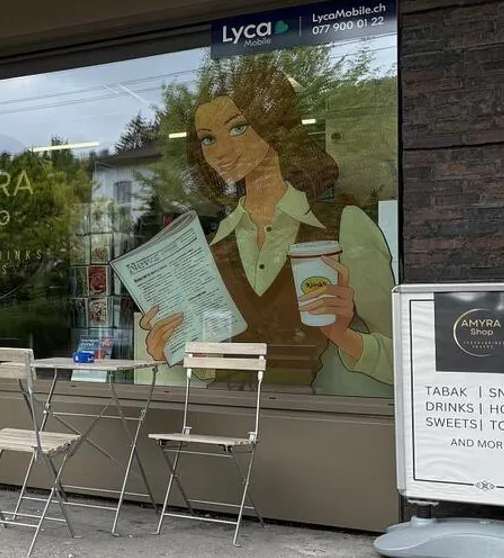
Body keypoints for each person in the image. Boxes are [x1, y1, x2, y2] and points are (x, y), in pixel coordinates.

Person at [139, 62, 394, 396]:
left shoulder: (343, 227)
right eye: (208, 139)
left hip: (323, 426)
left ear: (274, 125)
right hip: (225, 421)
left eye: (238, 127)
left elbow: (410, 359)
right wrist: (175, 348)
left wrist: (343, 336)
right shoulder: (215, 245)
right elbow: (218, 360)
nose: (221, 152)